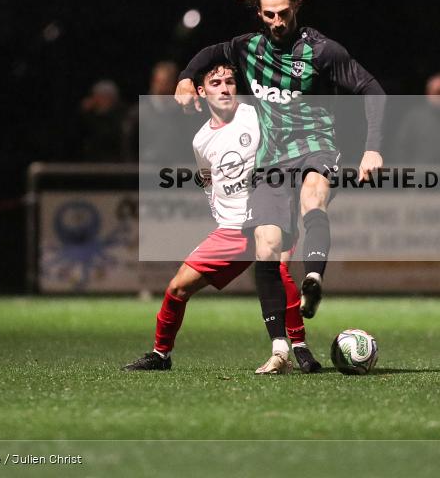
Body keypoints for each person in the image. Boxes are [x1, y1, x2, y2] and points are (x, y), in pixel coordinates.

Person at [174, 0, 385, 356]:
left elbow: (372, 89)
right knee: (266, 246)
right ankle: (280, 351)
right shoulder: (247, 47)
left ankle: (314, 279)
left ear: (297, 7)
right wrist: (187, 78)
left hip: (316, 147)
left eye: (283, 13)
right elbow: (209, 53)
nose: (277, 22)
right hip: (272, 160)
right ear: (259, 13)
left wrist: (372, 147)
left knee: (313, 198)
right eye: (269, 14)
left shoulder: (323, 51)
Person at [124, 64, 321, 374]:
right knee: (177, 288)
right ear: (202, 92)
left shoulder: (256, 115)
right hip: (230, 230)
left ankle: (300, 349)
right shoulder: (200, 141)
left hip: (267, 217)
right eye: (216, 82)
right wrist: (218, 210)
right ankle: (160, 354)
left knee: (278, 273)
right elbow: (207, 178)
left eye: (230, 81)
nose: (225, 88)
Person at [123, 61, 195, 163]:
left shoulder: (185, 113)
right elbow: (129, 145)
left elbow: (189, 143)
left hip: (176, 172)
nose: (163, 86)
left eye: (167, 82)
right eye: (160, 82)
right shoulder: (138, 113)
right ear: (153, 82)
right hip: (146, 171)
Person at [392, 73, 440, 164]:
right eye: (439, 92)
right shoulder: (414, 118)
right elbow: (401, 148)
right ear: (429, 93)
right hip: (420, 175)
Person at [77, 80, 125, 162]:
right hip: (90, 162)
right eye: (96, 96)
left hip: (114, 162)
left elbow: (110, 137)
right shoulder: (89, 116)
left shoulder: (122, 116)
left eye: (103, 96)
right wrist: (83, 112)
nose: (98, 100)